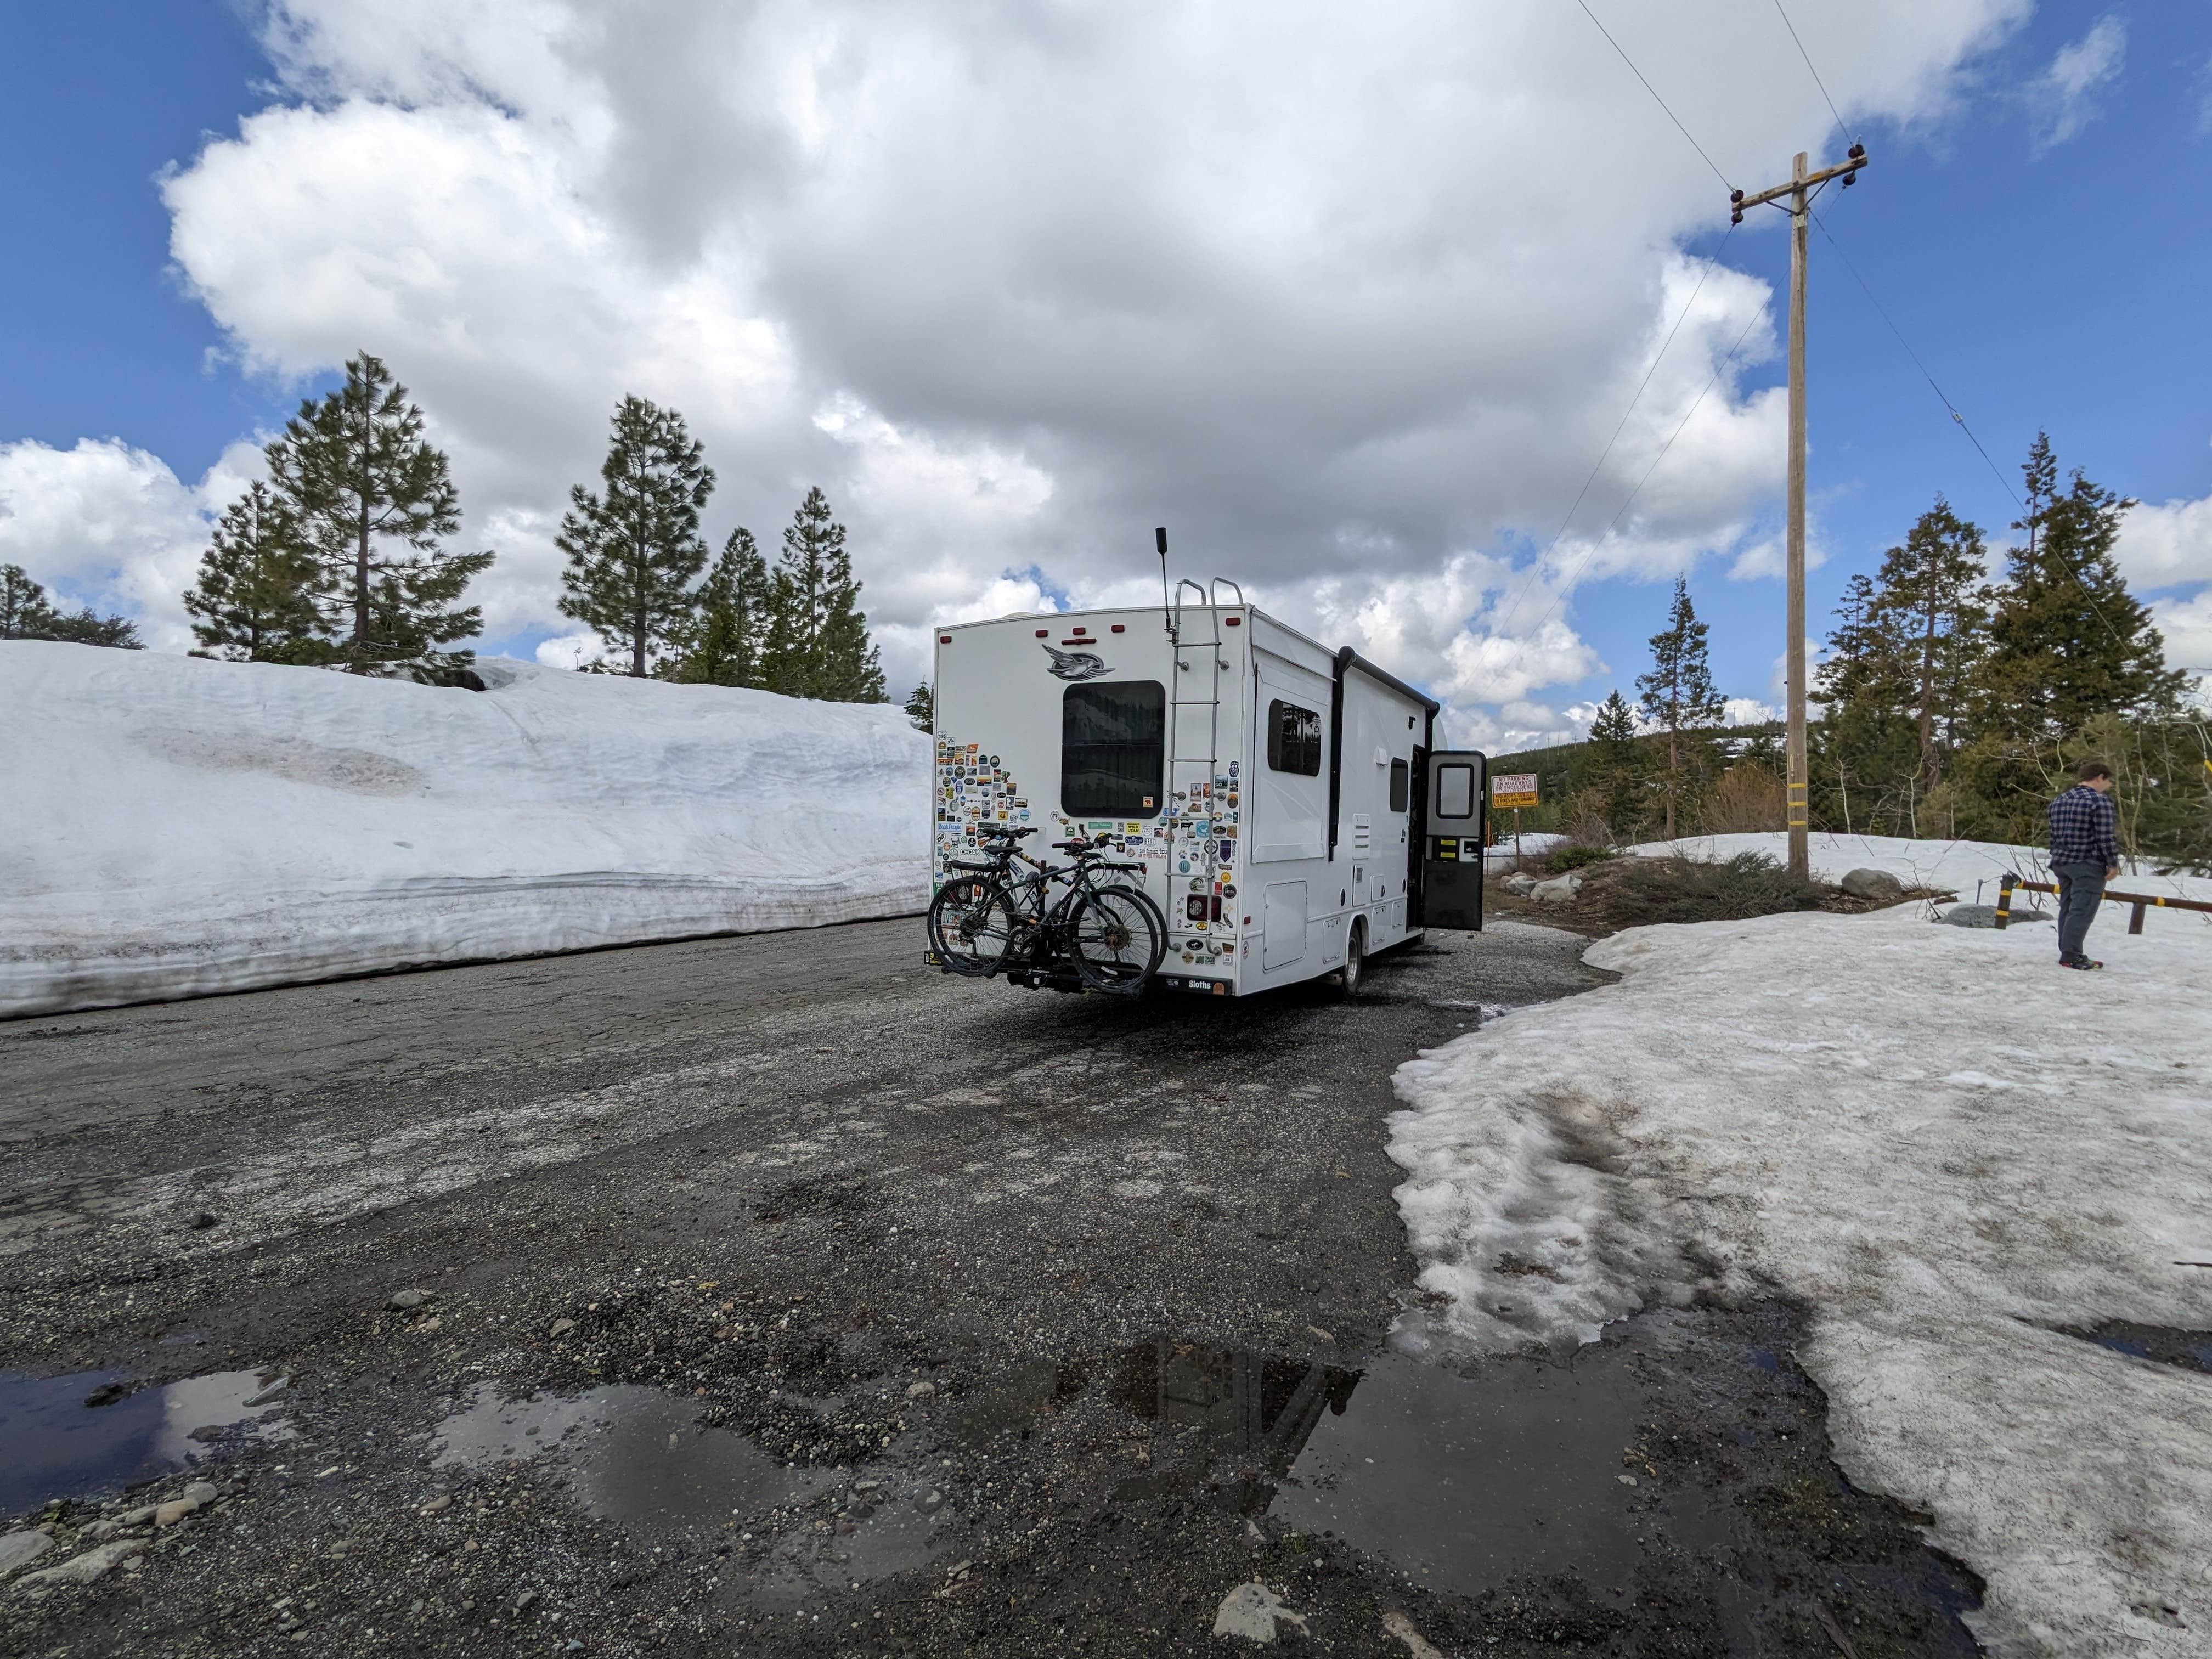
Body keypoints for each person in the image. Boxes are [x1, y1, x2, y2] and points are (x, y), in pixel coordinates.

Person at [2047, 760, 2120, 969]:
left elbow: (2053, 834)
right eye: (2108, 781)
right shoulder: (2099, 802)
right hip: (2087, 864)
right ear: (2100, 778)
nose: (2109, 786)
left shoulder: (2059, 800)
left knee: (2068, 908)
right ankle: (2071, 955)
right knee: (2082, 909)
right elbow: (2105, 837)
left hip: (2062, 862)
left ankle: (2068, 950)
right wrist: (2112, 863)